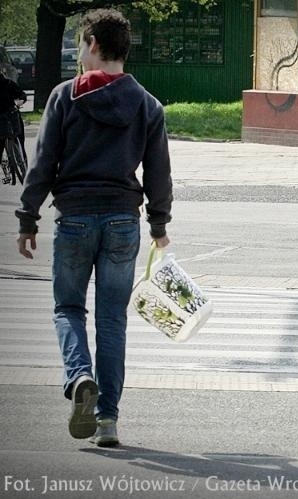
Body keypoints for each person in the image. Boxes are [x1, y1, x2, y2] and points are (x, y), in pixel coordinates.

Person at [15, 8, 173, 448]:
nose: (80, 52)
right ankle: (107, 421)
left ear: (95, 46)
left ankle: (79, 375)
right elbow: (159, 172)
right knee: (111, 321)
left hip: (75, 219)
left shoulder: (65, 96)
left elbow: (43, 161)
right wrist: (159, 223)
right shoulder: (146, 104)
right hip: (124, 221)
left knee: (68, 308)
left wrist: (28, 217)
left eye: (82, 43)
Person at [0, 73, 28, 179]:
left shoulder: (8, 84)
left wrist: (19, 103)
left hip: (11, 117)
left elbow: (22, 95)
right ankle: (6, 169)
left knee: (19, 140)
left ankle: (24, 166)